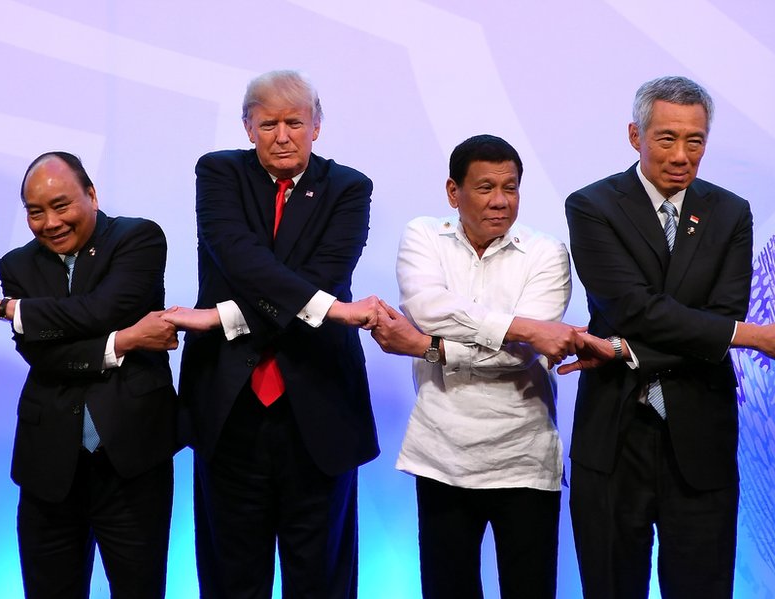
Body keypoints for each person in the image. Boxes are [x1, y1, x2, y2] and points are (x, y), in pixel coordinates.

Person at [163, 70, 381, 598]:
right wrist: (329, 309)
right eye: (267, 124)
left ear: (316, 126)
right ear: (247, 126)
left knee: (322, 578)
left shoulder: (349, 188)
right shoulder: (218, 173)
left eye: (294, 122)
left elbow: (322, 276)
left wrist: (223, 318)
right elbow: (237, 258)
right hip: (229, 410)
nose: (282, 136)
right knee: (231, 575)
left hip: (319, 406)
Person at [559, 75, 775, 598]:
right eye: (667, 138)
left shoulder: (730, 212)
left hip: (700, 438)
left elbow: (719, 313)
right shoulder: (592, 206)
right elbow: (632, 307)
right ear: (635, 136)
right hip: (614, 436)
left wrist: (620, 348)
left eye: (694, 141)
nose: (681, 155)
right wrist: (747, 335)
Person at [371, 134, 583, 599]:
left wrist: (431, 348)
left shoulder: (547, 253)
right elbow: (428, 308)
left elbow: (521, 354)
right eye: (486, 188)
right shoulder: (424, 235)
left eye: (511, 188)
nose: (501, 201)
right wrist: (521, 326)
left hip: (523, 456)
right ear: (454, 192)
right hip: (441, 453)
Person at [0, 152, 179, 598]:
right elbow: (42, 355)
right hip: (49, 464)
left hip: (132, 459)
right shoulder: (17, 265)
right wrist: (122, 342)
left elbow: (108, 308)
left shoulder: (138, 237)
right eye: (35, 212)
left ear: (92, 195)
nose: (50, 222)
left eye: (61, 206)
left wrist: (12, 310)